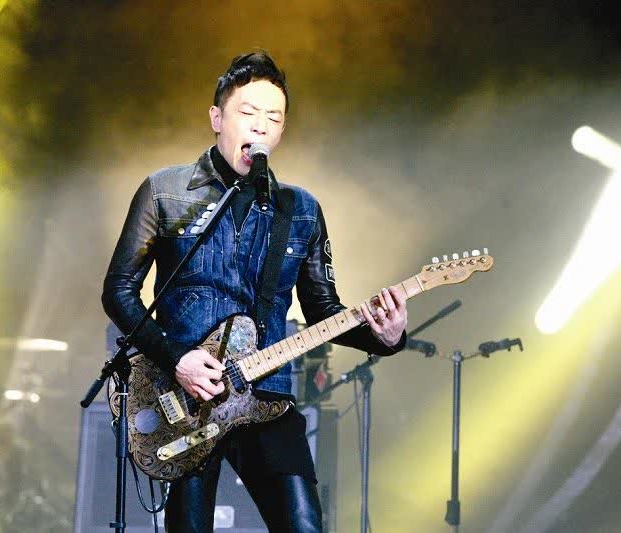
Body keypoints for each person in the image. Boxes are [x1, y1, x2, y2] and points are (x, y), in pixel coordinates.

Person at [102, 51, 408, 533]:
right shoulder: (166, 192)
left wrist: (383, 338)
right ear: (217, 118)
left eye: (274, 117)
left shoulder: (300, 210)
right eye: (248, 112)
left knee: (304, 526)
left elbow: (322, 309)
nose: (261, 125)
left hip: (267, 394)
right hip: (184, 398)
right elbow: (119, 291)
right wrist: (177, 359)